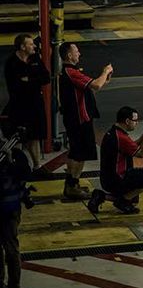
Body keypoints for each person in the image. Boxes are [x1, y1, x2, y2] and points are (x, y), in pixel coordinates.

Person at [58, 42, 112, 200]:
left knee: (81, 152)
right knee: (77, 152)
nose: (79, 54)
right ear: (69, 55)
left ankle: (74, 183)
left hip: (81, 117)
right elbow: (95, 85)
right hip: (78, 119)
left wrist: (105, 78)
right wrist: (105, 71)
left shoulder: (72, 72)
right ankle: (71, 186)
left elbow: (95, 85)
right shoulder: (70, 72)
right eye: (76, 51)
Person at [88, 106, 143, 215]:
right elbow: (142, 154)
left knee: (134, 199)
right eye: (135, 120)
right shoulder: (121, 137)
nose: (137, 123)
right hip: (117, 178)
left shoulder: (114, 132)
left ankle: (102, 196)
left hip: (108, 178)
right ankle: (123, 201)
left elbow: (133, 146)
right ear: (127, 121)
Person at [3, 34, 51, 173]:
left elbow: (46, 78)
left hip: (35, 104)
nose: (34, 46)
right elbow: (15, 86)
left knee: (35, 135)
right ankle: (16, 165)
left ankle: (37, 166)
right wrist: (34, 80)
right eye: (30, 44)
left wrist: (29, 80)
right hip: (19, 105)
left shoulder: (35, 59)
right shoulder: (11, 63)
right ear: (22, 47)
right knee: (17, 136)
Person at [0, 136, 30, 288]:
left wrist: (9, 159)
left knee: (11, 250)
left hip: (9, 209)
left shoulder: (15, 154)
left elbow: (25, 173)